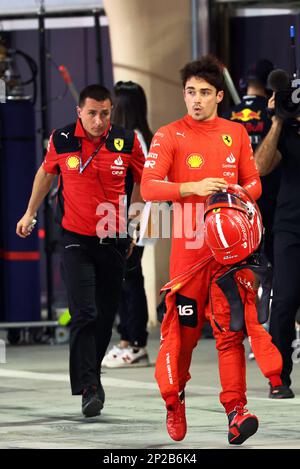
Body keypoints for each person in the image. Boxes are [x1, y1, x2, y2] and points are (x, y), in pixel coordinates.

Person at [141, 56, 283, 445]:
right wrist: (192, 187)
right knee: (182, 339)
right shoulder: (169, 135)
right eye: (190, 92)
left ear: (220, 95)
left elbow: (254, 183)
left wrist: (236, 193)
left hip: (228, 257)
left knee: (230, 335)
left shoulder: (235, 133)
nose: (197, 100)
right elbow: (149, 187)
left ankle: (237, 411)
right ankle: (175, 400)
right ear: (183, 95)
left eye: (205, 93)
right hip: (187, 258)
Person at [16, 84, 145, 417]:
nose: (99, 121)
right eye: (92, 114)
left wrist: (136, 217)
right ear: (79, 112)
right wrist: (30, 211)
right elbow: (46, 174)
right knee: (84, 312)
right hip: (76, 238)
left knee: (104, 316)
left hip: (115, 238)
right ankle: (89, 386)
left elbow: (145, 180)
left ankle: (93, 374)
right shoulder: (62, 140)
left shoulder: (126, 141)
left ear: (111, 111)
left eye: (105, 113)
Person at [223, 59, 282, 359]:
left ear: (245, 81)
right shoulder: (273, 112)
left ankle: (249, 330)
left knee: (247, 267)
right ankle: (271, 329)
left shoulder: (229, 115)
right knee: (276, 267)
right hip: (272, 199)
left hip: (237, 204)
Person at [102, 80, 153, 368]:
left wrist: (131, 224)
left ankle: (135, 343)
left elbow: (143, 183)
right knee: (123, 279)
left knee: (130, 279)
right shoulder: (125, 137)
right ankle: (127, 339)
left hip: (140, 217)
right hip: (128, 216)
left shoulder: (135, 139)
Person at [255, 89, 300, 399]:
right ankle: (278, 377)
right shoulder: (286, 130)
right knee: (284, 301)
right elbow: (260, 166)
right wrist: (277, 121)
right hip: (290, 227)